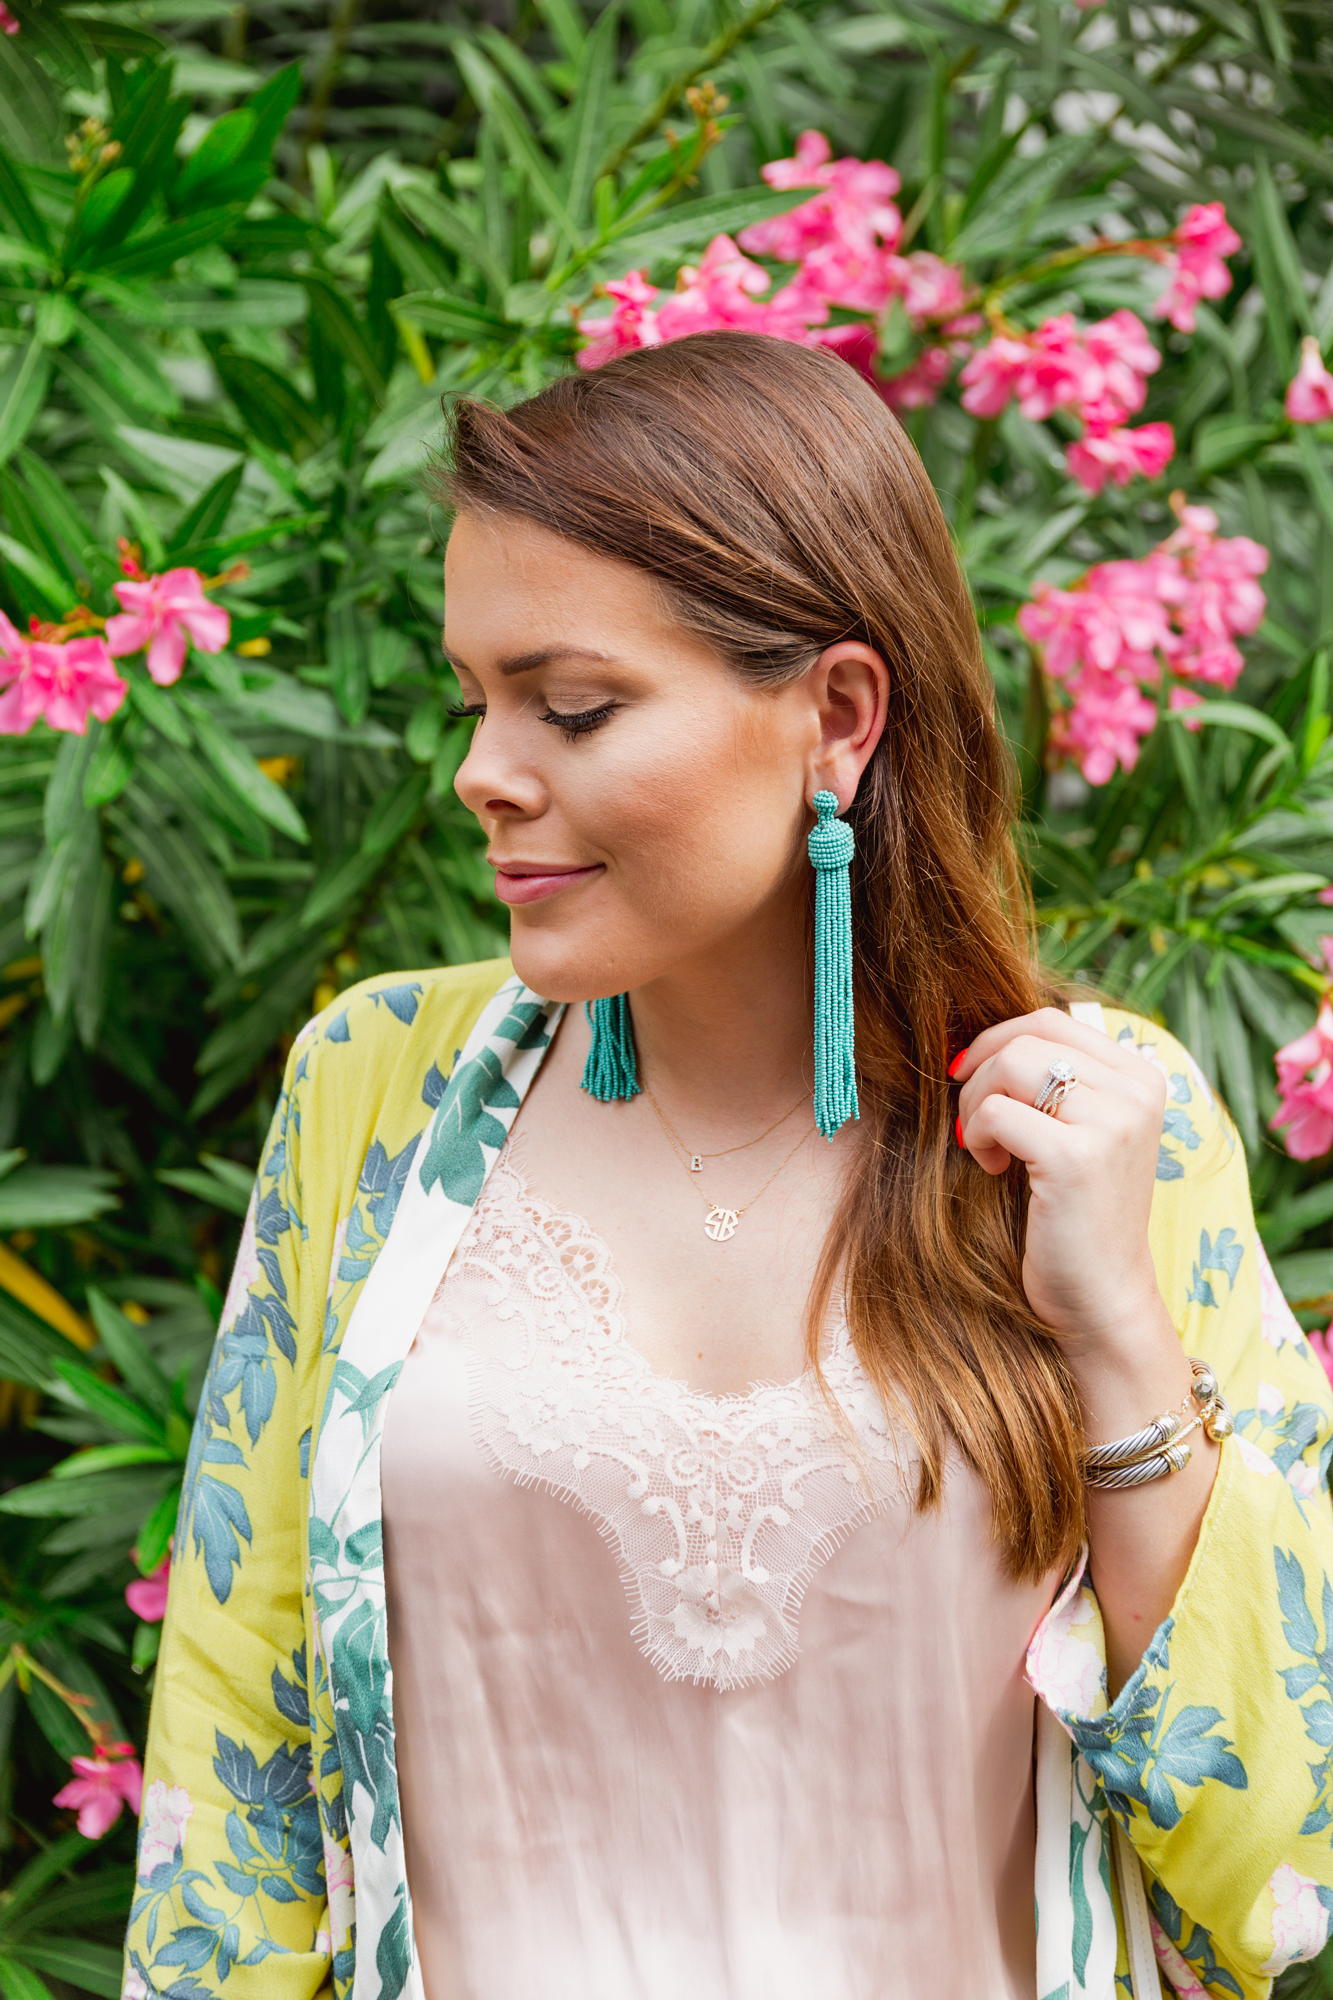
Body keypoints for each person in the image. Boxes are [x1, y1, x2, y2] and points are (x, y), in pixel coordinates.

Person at [124, 333, 1333, 2000]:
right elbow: (233, 1784)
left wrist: (1117, 1341)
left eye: (570, 705)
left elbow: (1282, 1873)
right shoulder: (373, 1090)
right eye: (473, 699)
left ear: (835, 715)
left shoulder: (1104, 1135)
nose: (481, 770)